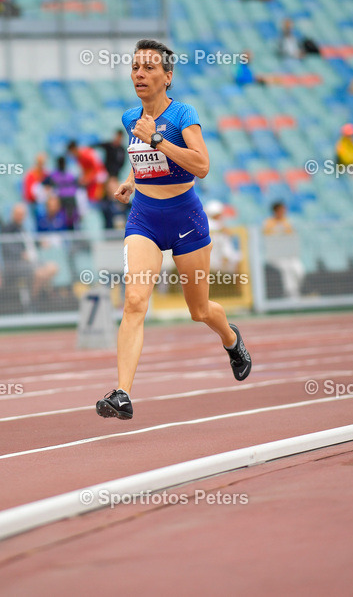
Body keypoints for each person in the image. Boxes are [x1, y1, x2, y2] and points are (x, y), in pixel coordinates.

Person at [95, 39, 252, 420]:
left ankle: (231, 339)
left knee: (199, 310)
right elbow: (143, 158)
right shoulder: (130, 118)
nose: (139, 74)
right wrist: (131, 180)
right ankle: (122, 393)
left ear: (167, 76)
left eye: (149, 68)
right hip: (144, 219)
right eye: (135, 67)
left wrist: (157, 138)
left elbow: (201, 165)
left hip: (185, 220)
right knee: (134, 301)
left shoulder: (183, 115)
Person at [0, 203, 58, 304]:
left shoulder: (22, 228)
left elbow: (28, 242)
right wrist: (21, 254)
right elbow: (7, 247)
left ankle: (42, 292)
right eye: (18, 214)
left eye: (22, 214)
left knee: (52, 267)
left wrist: (39, 243)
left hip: (30, 261)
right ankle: (34, 298)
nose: (20, 216)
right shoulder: (7, 229)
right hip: (15, 264)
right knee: (39, 272)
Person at [262, 200, 303, 297]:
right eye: (281, 210)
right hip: (275, 255)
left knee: (299, 269)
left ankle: (295, 291)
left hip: (288, 254)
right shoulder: (268, 223)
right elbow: (267, 238)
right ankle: (291, 294)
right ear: (276, 211)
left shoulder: (287, 222)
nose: (283, 212)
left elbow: (292, 236)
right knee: (286, 269)